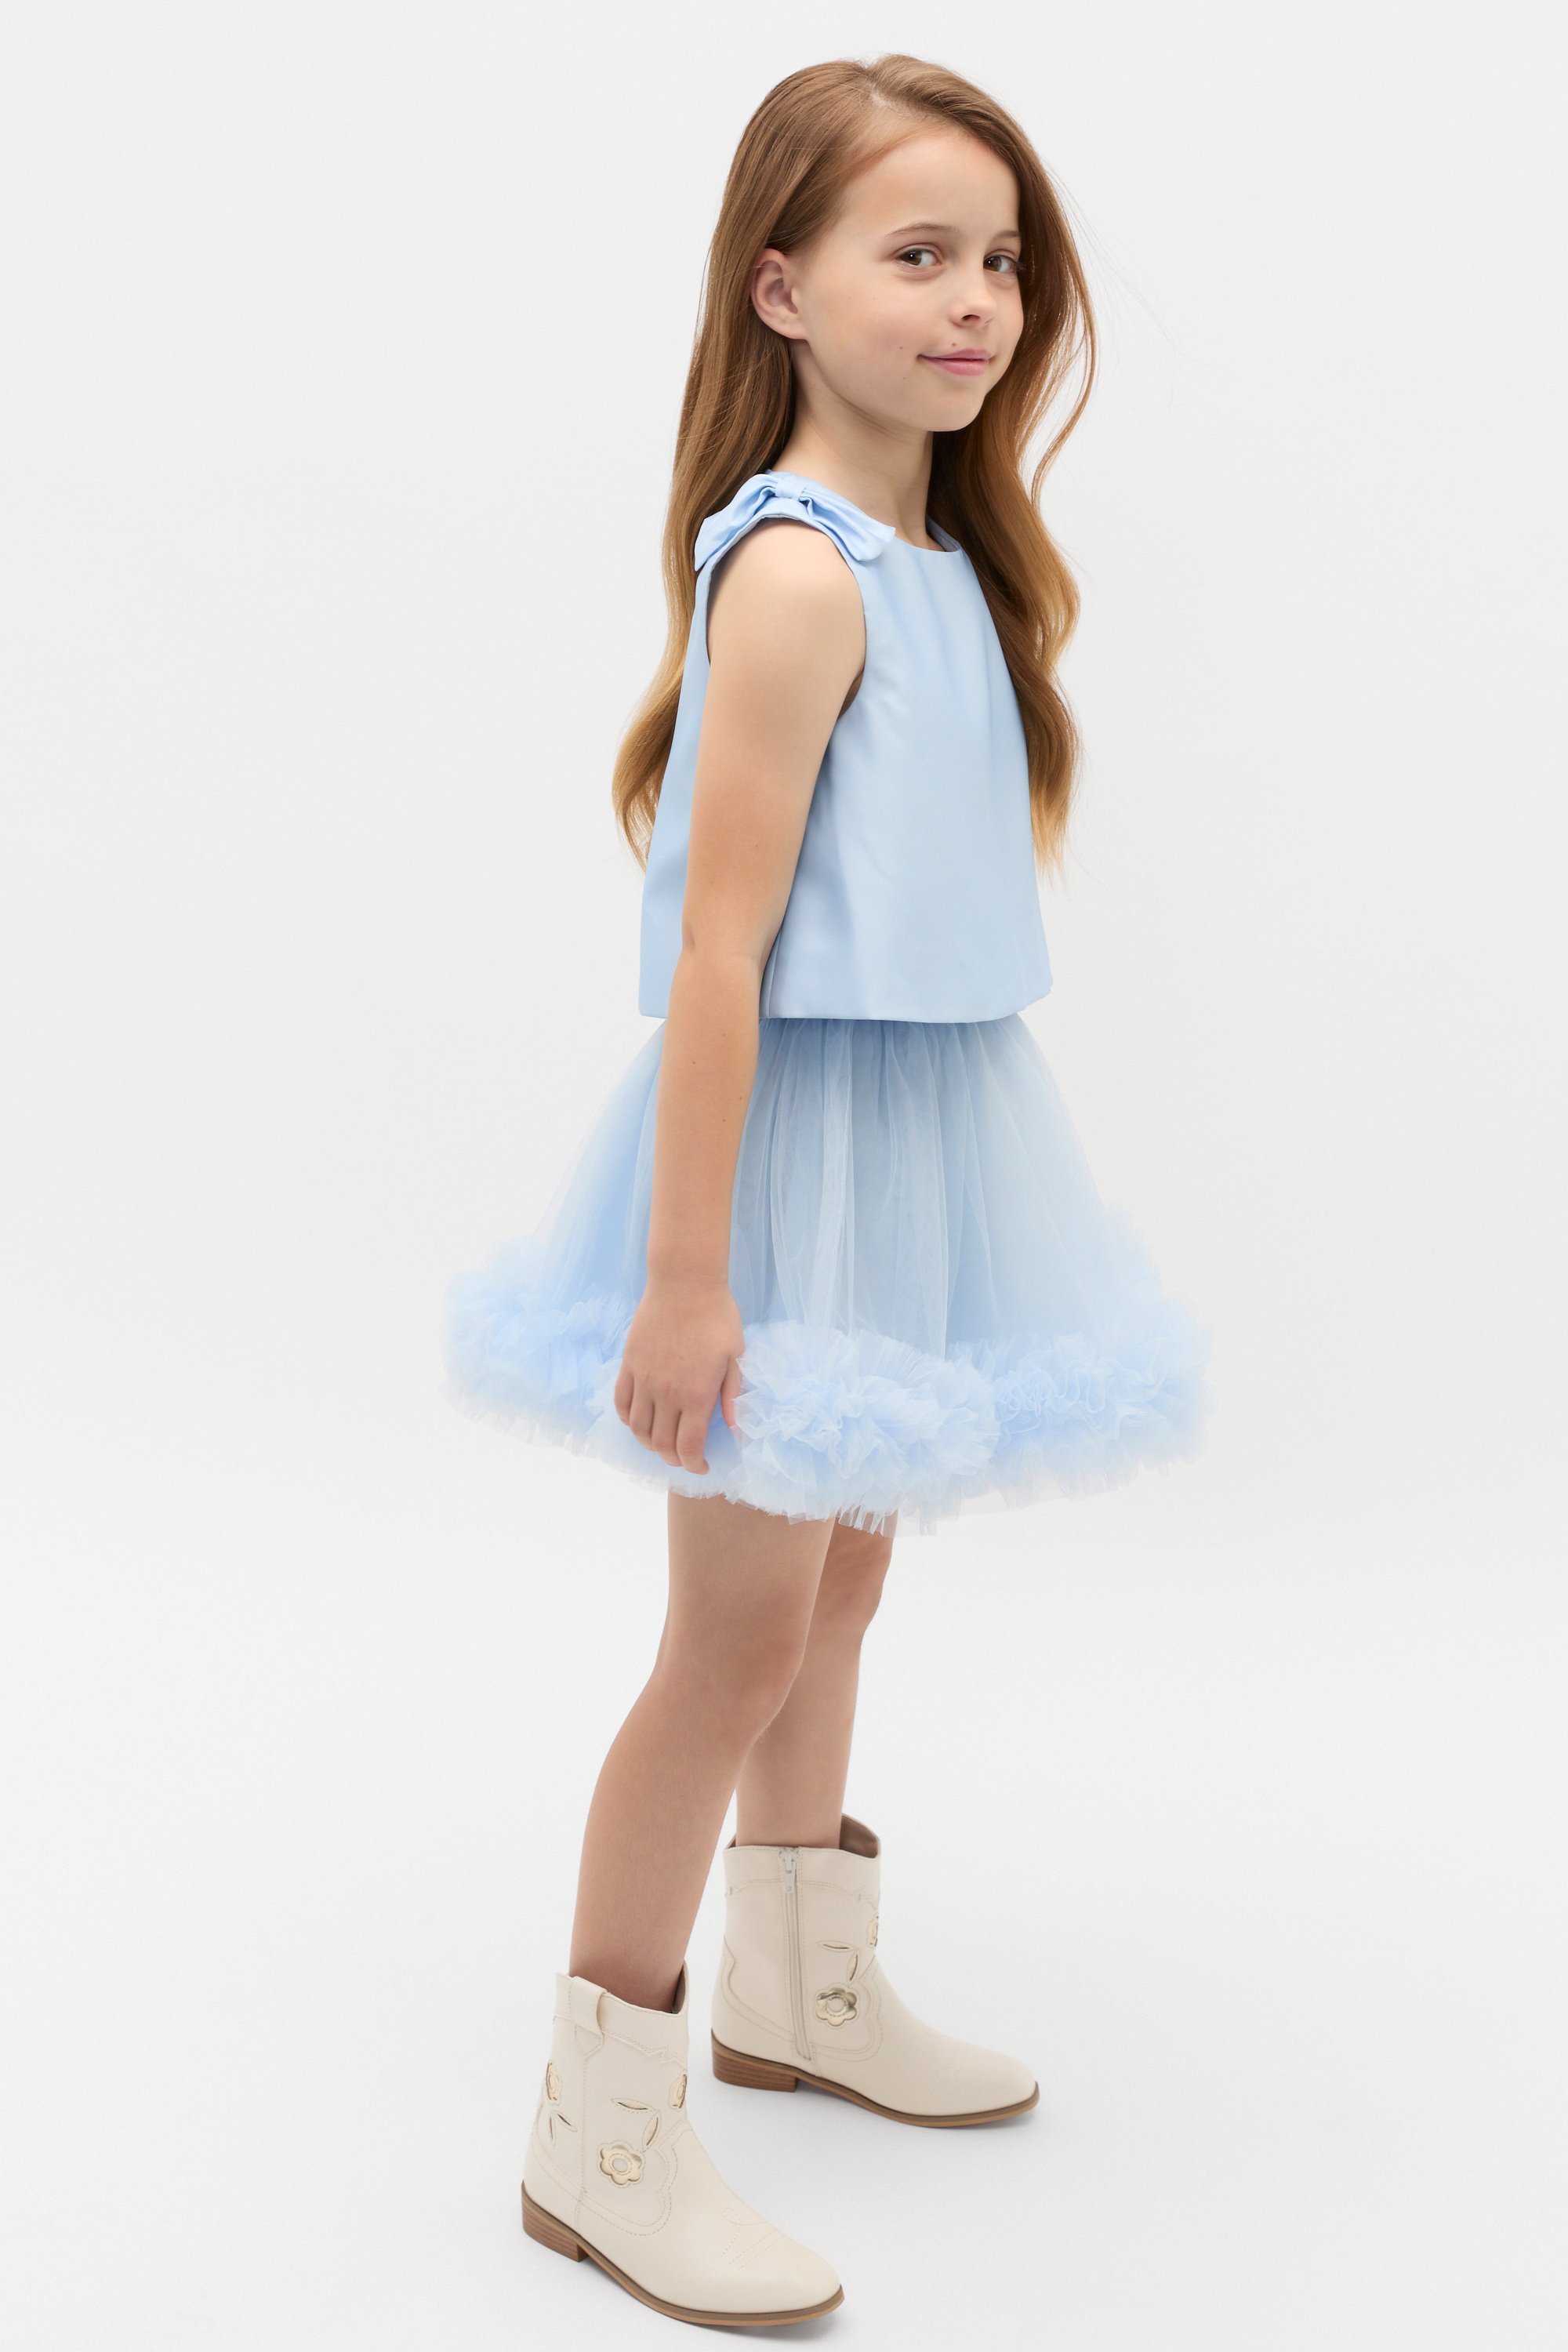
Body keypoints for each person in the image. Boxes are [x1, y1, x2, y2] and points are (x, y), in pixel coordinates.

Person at [442, 52, 1211, 2330]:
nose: (976, 302)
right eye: (918, 254)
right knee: (735, 1633)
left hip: (926, 1134)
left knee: (846, 1575)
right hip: (786, 1156)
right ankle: (600, 2124)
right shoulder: (796, 576)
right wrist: (689, 1280)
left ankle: (799, 1982)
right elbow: (719, 952)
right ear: (781, 289)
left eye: (1002, 260)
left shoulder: (947, 564)